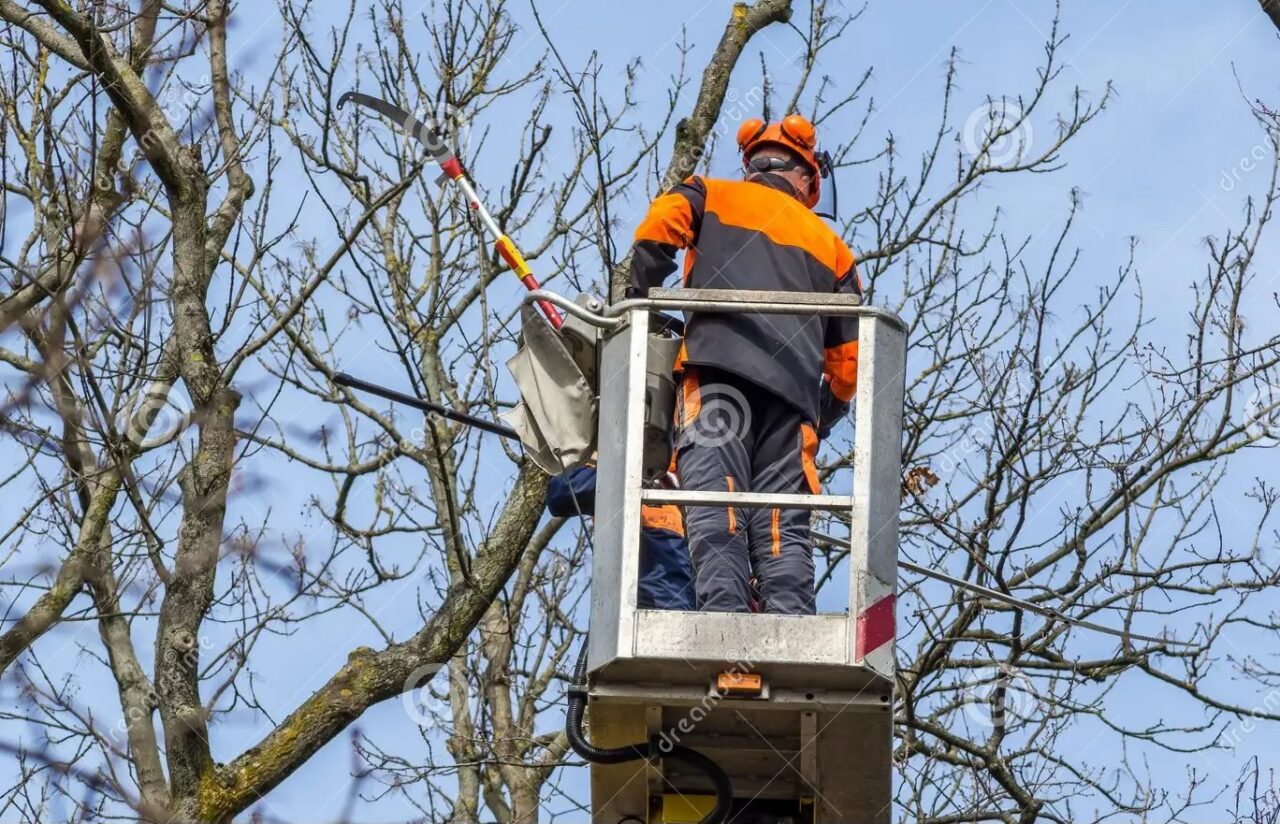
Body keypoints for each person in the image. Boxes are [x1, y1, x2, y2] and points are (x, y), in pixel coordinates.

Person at [626, 114, 861, 615]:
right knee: (781, 522)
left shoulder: (709, 194)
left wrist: (640, 303)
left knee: (718, 501)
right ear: (805, 177)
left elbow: (654, 231)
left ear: (753, 166)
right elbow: (848, 364)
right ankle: (789, 629)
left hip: (716, 378)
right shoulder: (834, 249)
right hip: (792, 399)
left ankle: (723, 624)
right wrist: (823, 410)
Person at [546, 463, 695, 611]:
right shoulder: (614, 456)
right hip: (630, 596)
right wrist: (631, 479)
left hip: (678, 594)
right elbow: (560, 491)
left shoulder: (685, 465)